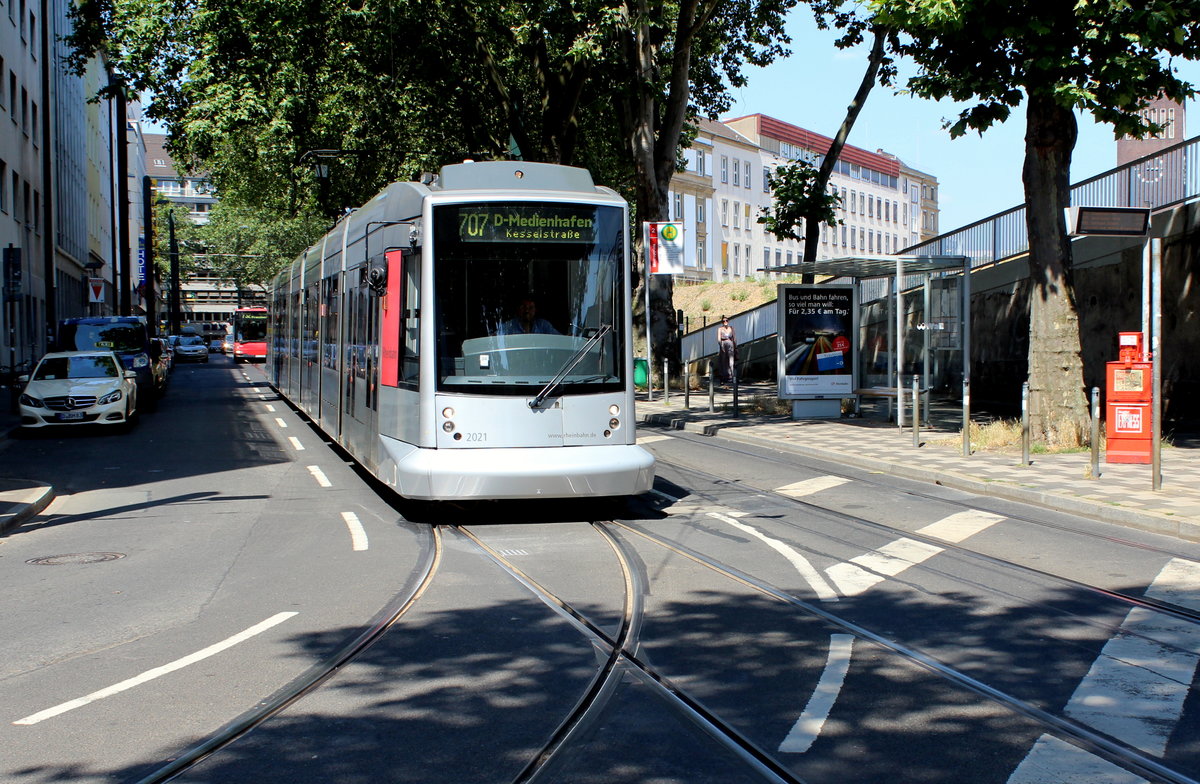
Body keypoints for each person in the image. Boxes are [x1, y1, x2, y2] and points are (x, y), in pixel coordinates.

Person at [717, 316, 736, 383]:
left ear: (728, 321)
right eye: (723, 321)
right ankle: (725, 376)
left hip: (730, 344)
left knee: (731, 361)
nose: (725, 322)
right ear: (722, 322)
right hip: (723, 344)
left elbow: (734, 338)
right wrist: (721, 346)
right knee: (723, 361)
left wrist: (735, 347)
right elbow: (719, 339)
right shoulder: (720, 329)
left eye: (726, 320)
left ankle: (733, 376)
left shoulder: (731, 328)